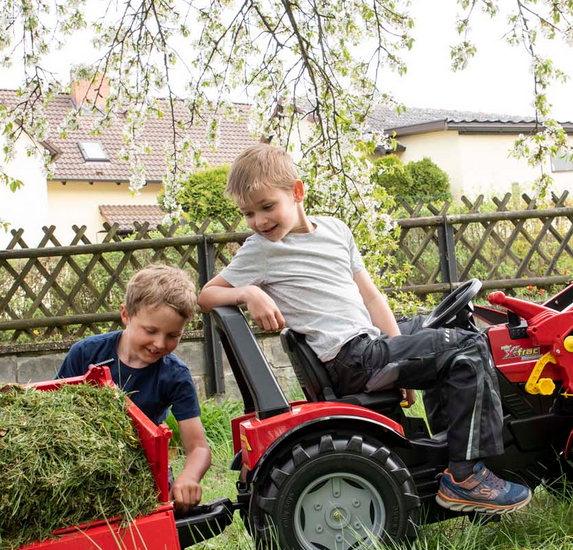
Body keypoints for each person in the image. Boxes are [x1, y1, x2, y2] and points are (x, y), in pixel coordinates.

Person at [198, 144, 530, 514]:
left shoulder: (336, 231)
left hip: (370, 346)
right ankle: (466, 476)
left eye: (266, 207)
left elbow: (372, 299)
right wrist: (250, 291)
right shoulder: (261, 250)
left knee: (443, 329)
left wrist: (399, 350)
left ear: (297, 192)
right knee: (467, 347)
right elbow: (207, 295)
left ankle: (451, 455)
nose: (258, 221)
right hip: (350, 358)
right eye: (248, 213)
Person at [57, 264, 210, 513]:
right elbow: (54, 411)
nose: (160, 343)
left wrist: (189, 477)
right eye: (151, 331)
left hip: (142, 470)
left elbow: (199, 447)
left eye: (173, 335)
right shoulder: (86, 354)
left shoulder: (175, 376)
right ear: (126, 315)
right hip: (82, 466)